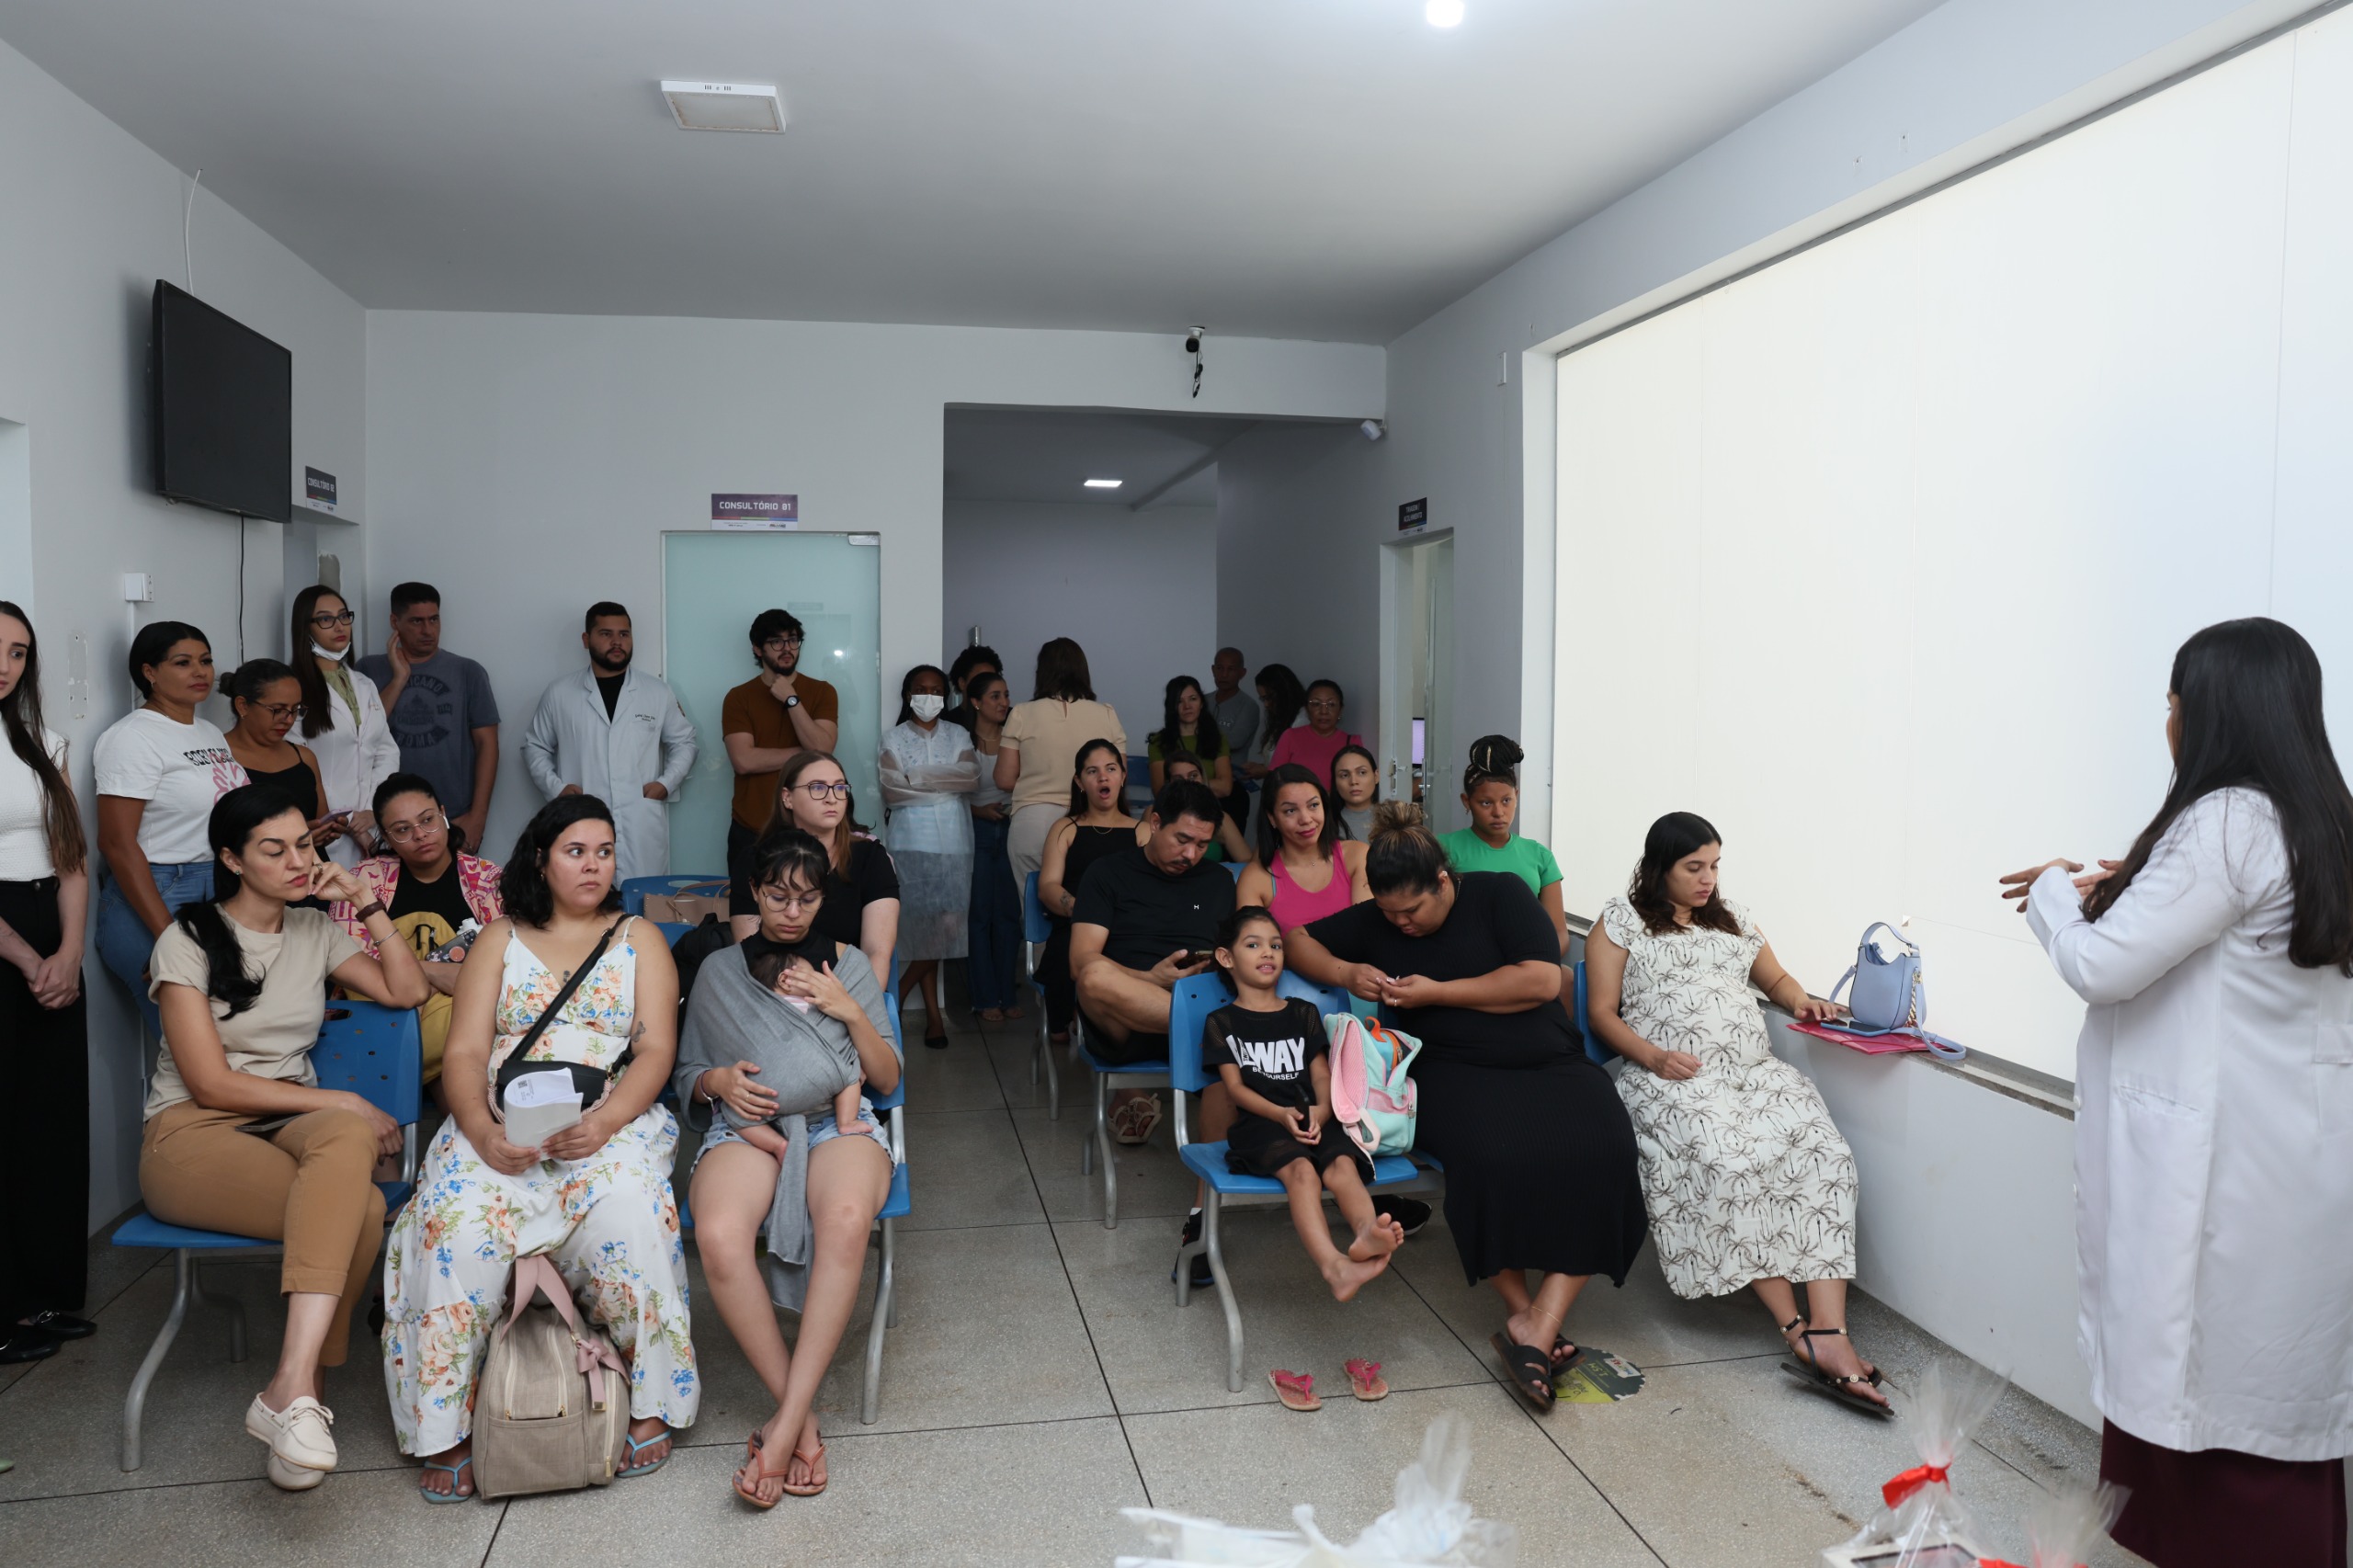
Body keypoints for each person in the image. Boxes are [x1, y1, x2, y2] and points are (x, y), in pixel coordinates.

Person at [1998, 617, 2353, 1568]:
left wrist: (2055, 895)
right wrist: (2129, 878)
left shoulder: (2227, 817)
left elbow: (2101, 965)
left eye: (2172, 705)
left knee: (2210, 1403)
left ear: (2212, 714)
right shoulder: (2319, 818)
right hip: (2295, 1166)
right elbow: (2235, 935)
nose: (2166, 723)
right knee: (2266, 1406)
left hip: (2222, 1175)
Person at [1285, 804, 1647, 1415]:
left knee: (1606, 1143)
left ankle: (1540, 1321)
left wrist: (1436, 991)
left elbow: (1540, 980)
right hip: (1449, 1070)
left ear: (1445, 883)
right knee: (1490, 1154)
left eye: (1412, 911)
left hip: (1547, 1059)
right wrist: (1347, 968)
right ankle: (1521, 1316)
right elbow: (1297, 939)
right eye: (1389, 913)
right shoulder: (1382, 920)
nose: (1400, 924)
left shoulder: (1500, 895)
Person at [383, 794, 696, 1502]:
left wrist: (609, 1121)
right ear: (541, 859)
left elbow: (654, 1052)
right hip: (501, 1121)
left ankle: (652, 1403)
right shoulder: (499, 938)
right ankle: (446, 1428)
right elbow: (463, 1053)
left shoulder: (637, 939)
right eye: (575, 851)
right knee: (453, 1229)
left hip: (606, 1120)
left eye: (604, 851)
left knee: (631, 1216)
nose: (593, 865)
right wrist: (483, 1132)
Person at [141, 784, 430, 1490]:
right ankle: (308, 1398)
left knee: (340, 1138)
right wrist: (343, 1098)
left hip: (288, 1126)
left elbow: (409, 991)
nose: (299, 861)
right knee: (359, 1206)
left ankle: (288, 1391)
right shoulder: (186, 939)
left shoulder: (316, 931)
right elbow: (208, 1083)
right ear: (232, 859)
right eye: (275, 850)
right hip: (190, 1135)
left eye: (305, 844)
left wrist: (365, 901)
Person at [1585, 812, 1884, 1413]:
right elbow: (1603, 1013)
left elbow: (1776, 981)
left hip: (1752, 1076)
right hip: (1673, 1081)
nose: (1707, 879)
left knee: (1824, 1154)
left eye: (1715, 865)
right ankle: (1793, 1329)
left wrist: (1806, 1002)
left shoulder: (1735, 918)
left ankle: (1830, 1329)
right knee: (1729, 1161)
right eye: (1694, 867)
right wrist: (1654, 1058)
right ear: (1657, 868)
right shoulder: (1621, 921)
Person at [677, 830, 899, 1507]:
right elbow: (687, 1073)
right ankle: (800, 1421)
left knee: (845, 1217)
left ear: (823, 899)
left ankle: (782, 1434)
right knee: (717, 1235)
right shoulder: (719, 970)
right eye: (778, 895)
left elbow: (886, 1076)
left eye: (806, 898)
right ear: (755, 891)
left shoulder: (849, 965)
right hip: (747, 1127)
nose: (791, 911)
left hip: (840, 1124)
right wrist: (716, 1080)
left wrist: (850, 1011)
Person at [1203, 906, 1401, 1302]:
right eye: (1253, 944)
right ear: (1226, 958)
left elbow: (1322, 1074)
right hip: (1260, 1124)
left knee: (1342, 1165)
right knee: (1302, 1174)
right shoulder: (1221, 1021)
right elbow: (1235, 1090)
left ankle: (1365, 1232)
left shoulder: (1302, 1013)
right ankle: (1334, 1266)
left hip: (1314, 1115)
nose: (1268, 953)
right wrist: (1278, 1113)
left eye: (1275, 945)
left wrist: (1324, 1110)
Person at [0, 602, 95, 1365]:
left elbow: (71, 856)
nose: (6, 664)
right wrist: (30, 961)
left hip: (50, 927)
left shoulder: (43, 741)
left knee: (51, 1120)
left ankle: (43, 1297)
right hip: (6, 941)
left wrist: (68, 950)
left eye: (19, 652)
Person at [95, 621, 250, 1036]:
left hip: (214, 889)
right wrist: (168, 935)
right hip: (158, 893)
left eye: (205, 661)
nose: (200, 672)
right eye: (183, 663)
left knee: (227, 1039)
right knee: (189, 1051)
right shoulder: (132, 738)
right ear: (149, 672)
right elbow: (115, 842)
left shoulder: (209, 731)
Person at [1071, 778, 1238, 1164]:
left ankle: (1216, 1033)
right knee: (1094, 975)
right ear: (1156, 823)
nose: (1191, 853)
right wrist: (1151, 979)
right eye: (1182, 839)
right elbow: (1080, 961)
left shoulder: (1218, 880)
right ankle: (1229, 1036)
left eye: (1202, 844)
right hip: (1124, 1020)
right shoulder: (1107, 873)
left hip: (1197, 1008)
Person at [325, 772, 506, 1097]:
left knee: (459, 1070)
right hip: (382, 1019)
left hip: (464, 1024)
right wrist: (436, 972)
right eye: (403, 830)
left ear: (443, 814)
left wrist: (413, 971)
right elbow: (350, 962)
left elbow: (509, 964)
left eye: (428, 820)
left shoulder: (487, 879)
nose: (421, 835)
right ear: (386, 837)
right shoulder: (363, 879)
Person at [520, 602, 699, 883]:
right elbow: (535, 746)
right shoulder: (561, 693)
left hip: (640, 822)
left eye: (624, 634)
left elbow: (685, 742)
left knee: (643, 905)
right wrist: (557, 789)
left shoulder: (656, 691)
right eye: (606, 634)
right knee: (583, 895)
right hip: (579, 819)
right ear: (586, 639)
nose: (617, 642)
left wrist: (666, 783)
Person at [357, 583, 501, 854]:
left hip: (453, 818)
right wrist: (399, 678)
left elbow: (488, 746)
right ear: (394, 622)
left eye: (434, 619)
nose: (428, 630)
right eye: (416, 621)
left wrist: (478, 818)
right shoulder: (367, 670)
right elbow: (363, 734)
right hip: (384, 820)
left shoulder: (467, 672)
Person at [735, 750, 900, 989]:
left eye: (840, 788)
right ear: (787, 798)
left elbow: (877, 953)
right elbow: (751, 953)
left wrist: (854, 1012)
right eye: (817, 787)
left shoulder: (871, 857)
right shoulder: (755, 859)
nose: (832, 798)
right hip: (773, 996)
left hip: (849, 993)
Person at [879, 665, 978, 1049]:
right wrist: (943, 782)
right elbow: (891, 791)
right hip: (910, 842)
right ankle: (933, 1018)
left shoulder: (959, 734)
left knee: (948, 924)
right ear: (908, 694)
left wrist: (916, 777)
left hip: (954, 841)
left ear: (946, 695)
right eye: (921, 689)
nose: (928, 696)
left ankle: (899, 993)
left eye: (936, 690)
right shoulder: (894, 737)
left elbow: (970, 779)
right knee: (921, 929)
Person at [722, 608, 842, 918]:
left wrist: (791, 699)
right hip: (751, 829)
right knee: (750, 920)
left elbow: (823, 749)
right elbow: (744, 760)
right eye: (776, 642)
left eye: (793, 640)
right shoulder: (738, 697)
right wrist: (804, 754)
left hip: (810, 832)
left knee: (807, 918)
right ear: (757, 648)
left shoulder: (821, 691)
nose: (787, 648)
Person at [723, 937, 872, 1163]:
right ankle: (847, 1122)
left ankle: (777, 1144)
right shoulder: (810, 1005)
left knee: (736, 1114)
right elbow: (834, 1042)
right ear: (786, 979)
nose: (818, 979)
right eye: (811, 974)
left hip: (763, 1093)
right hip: (818, 1086)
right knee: (849, 1073)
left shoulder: (754, 1011)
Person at [1036, 740, 1140, 1051]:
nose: (1103, 778)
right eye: (1092, 772)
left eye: (1110, 769)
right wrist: (1089, 914)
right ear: (1080, 783)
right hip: (1076, 927)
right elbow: (1048, 887)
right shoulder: (1065, 828)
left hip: (1129, 930)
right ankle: (1070, 1021)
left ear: (1122, 776)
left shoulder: (1144, 831)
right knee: (1070, 950)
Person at [288, 585, 400, 868]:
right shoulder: (293, 688)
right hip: (327, 828)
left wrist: (373, 809)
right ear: (306, 628)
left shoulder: (364, 683)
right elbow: (299, 764)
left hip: (372, 822)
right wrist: (349, 821)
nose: (339, 626)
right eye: (325, 619)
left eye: (343, 617)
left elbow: (385, 751)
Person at [997, 637, 1125, 882]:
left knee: (1034, 909)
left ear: (1042, 672)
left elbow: (1004, 778)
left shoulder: (1022, 713)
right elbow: (1118, 777)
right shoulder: (1106, 714)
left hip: (1032, 821)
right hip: (1090, 820)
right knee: (1088, 901)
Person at [1438, 737, 1567, 956]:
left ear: (1516, 796)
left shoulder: (1539, 856)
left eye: (1506, 800)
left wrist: (1536, 958)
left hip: (1525, 964)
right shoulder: (1442, 849)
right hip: (1464, 960)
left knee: (1566, 980)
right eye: (1486, 803)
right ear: (1466, 802)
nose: (1498, 812)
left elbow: (1559, 934)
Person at [959, 670, 1023, 1024]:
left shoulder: (1017, 740)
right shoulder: (961, 741)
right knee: (979, 917)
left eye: (1006, 695)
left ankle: (1008, 994)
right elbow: (950, 795)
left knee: (1009, 917)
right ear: (976, 702)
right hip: (975, 831)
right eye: (996, 696)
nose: (1004, 703)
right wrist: (978, 811)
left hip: (1011, 829)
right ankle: (985, 998)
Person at [1237, 765, 1368, 935]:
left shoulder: (1357, 855)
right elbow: (1252, 950)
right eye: (1290, 811)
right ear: (1272, 818)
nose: (1306, 819)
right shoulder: (1256, 878)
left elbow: (1369, 931)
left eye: (1313, 805)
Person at [222, 662, 333, 847]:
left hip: (312, 869)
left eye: (295, 709)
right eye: (278, 710)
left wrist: (328, 829)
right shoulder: (218, 759)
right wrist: (295, 840)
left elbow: (321, 821)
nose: (289, 720)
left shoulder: (304, 757)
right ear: (243, 706)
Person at [1158, 751, 1253, 864]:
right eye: (1179, 779)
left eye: (1193, 776)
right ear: (1169, 783)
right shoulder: (1155, 813)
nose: (1188, 783)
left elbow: (1247, 862)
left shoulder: (1222, 818)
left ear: (1203, 779)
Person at [1269, 679, 1363, 790]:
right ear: (1307, 710)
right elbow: (1273, 782)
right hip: (1298, 806)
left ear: (1340, 710)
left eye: (1331, 704)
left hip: (1336, 807)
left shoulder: (1352, 742)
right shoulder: (1290, 737)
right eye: (1316, 704)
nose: (1324, 711)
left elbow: (1359, 785)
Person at [1147, 676, 1233, 798]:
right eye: (1179, 701)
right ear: (1172, 706)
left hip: (1209, 808)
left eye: (1193, 699)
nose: (1187, 706)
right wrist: (1201, 783)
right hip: (1173, 810)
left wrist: (1179, 785)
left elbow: (1225, 787)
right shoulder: (1158, 742)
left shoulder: (1218, 738)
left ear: (1201, 703)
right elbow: (1161, 791)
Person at [1235, 663, 1306, 801]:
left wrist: (1266, 771)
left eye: (1269, 697)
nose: (1267, 705)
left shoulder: (1302, 721)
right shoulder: (1281, 720)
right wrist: (1262, 767)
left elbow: (1297, 768)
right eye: (1263, 699)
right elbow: (1279, 760)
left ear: (1284, 692)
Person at [1209, 648, 1258, 767]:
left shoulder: (1248, 705)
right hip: (1200, 777)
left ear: (1242, 673)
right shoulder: (1202, 700)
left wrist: (1197, 736)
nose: (1224, 674)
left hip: (1233, 779)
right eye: (1220, 668)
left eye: (1231, 669)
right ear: (1213, 670)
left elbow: (1234, 742)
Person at [1332, 744, 1380, 843]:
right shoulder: (1326, 825)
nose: (1353, 781)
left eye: (1362, 772)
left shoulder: (1391, 819)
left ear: (1376, 776)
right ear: (1335, 782)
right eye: (1344, 775)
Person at [944, 643, 1002, 719]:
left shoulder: (1010, 719)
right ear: (962, 683)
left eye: (991, 679)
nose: (987, 686)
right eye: (980, 679)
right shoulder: (947, 724)